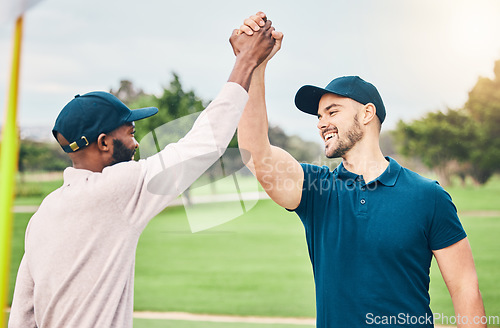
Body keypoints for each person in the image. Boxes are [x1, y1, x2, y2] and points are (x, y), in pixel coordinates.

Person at [8, 20, 277, 328]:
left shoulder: (43, 214)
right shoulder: (118, 188)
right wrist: (247, 60)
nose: (136, 143)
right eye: (130, 133)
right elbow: (207, 142)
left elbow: (23, 316)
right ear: (104, 143)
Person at [236, 12, 486, 328]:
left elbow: (465, 288)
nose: (321, 122)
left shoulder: (429, 197)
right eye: (318, 116)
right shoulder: (317, 191)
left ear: (367, 114)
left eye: (332, 111)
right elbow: (256, 155)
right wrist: (254, 66)